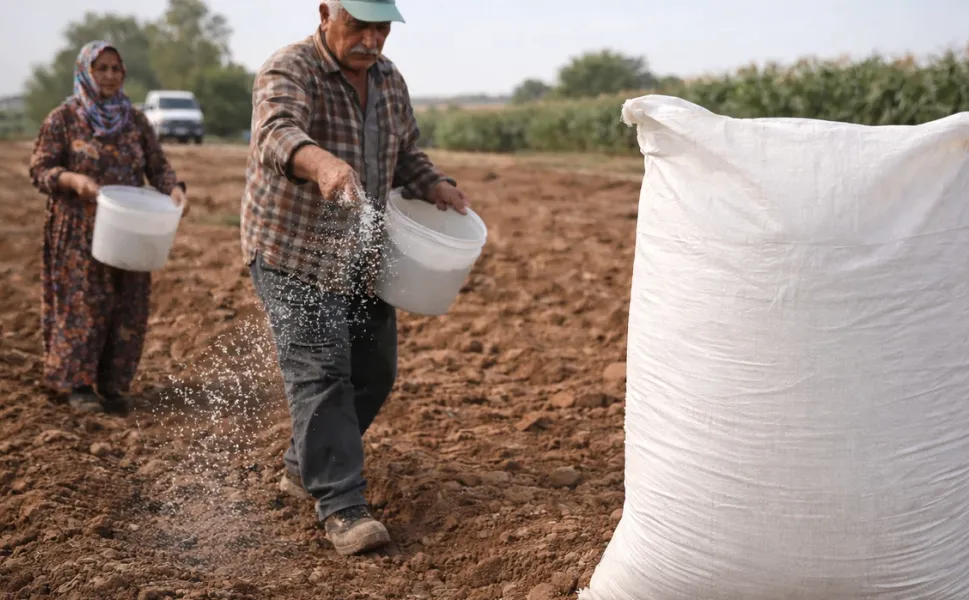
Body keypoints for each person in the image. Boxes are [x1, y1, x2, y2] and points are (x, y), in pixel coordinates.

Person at [242, 0, 470, 556]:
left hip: (362, 255)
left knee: (374, 371)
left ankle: (301, 467)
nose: (370, 39)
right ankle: (342, 506)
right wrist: (322, 164)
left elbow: (405, 152)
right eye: (358, 25)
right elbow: (275, 133)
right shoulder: (290, 68)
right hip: (295, 252)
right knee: (322, 374)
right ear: (326, 13)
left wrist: (433, 182)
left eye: (380, 28)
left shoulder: (388, 80)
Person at [29, 40, 189, 414]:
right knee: (83, 304)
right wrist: (72, 180)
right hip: (79, 230)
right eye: (101, 68)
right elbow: (40, 169)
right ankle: (78, 384)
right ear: (85, 72)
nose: (110, 76)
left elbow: (158, 167)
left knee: (128, 304)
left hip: (128, 225)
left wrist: (175, 189)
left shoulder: (135, 120)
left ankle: (114, 385)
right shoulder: (64, 119)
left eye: (116, 68)